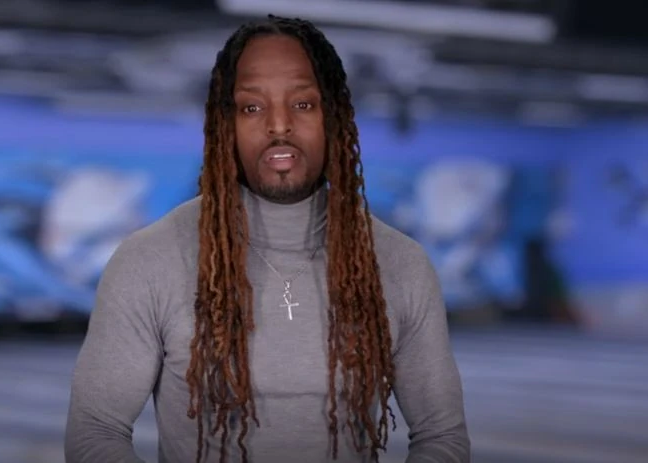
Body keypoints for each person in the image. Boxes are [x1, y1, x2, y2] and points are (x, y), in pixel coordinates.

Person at [65, 14, 470, 463]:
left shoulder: (402, 263)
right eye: (252, 108)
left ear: (334, 118)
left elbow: (442, 436)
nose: (279, 125)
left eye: (303, 104)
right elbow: (96, 432)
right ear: (225, 124)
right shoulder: (148, 260)